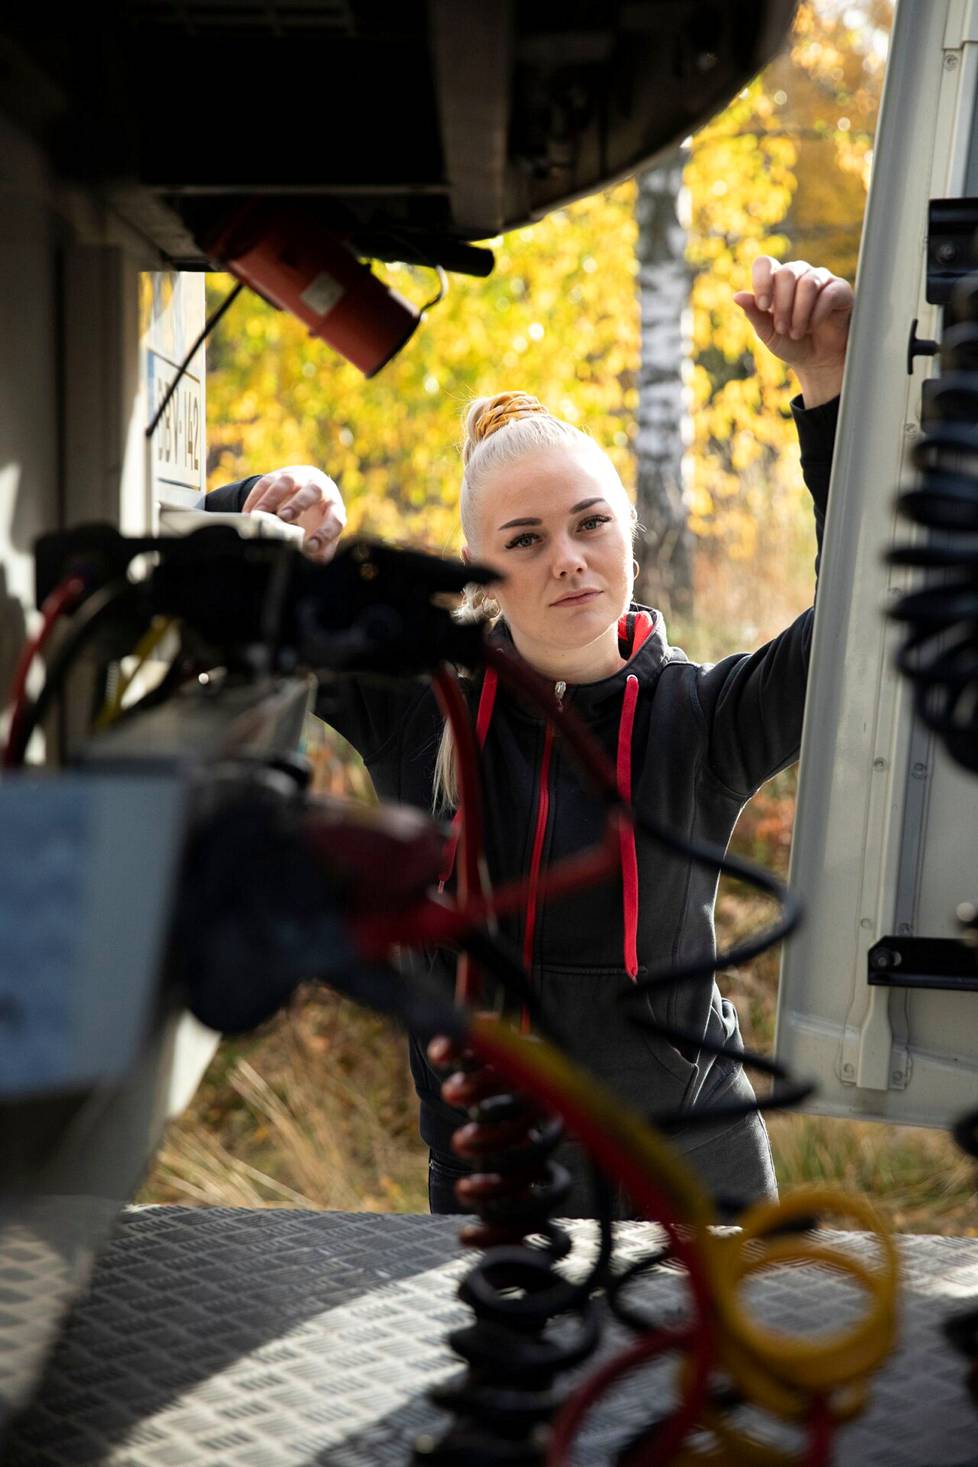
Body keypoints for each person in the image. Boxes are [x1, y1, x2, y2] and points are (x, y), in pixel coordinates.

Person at [204, 256, 851, 1219]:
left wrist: (831, 386)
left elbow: (862, 612)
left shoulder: (703, 719)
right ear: (477, 567)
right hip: (490, 1176)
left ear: (628, 532)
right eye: (525, 540)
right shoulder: (417, 703)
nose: (570, 561)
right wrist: (261, 500)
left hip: (693, 1176)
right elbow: (206, 590)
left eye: (591, 524)